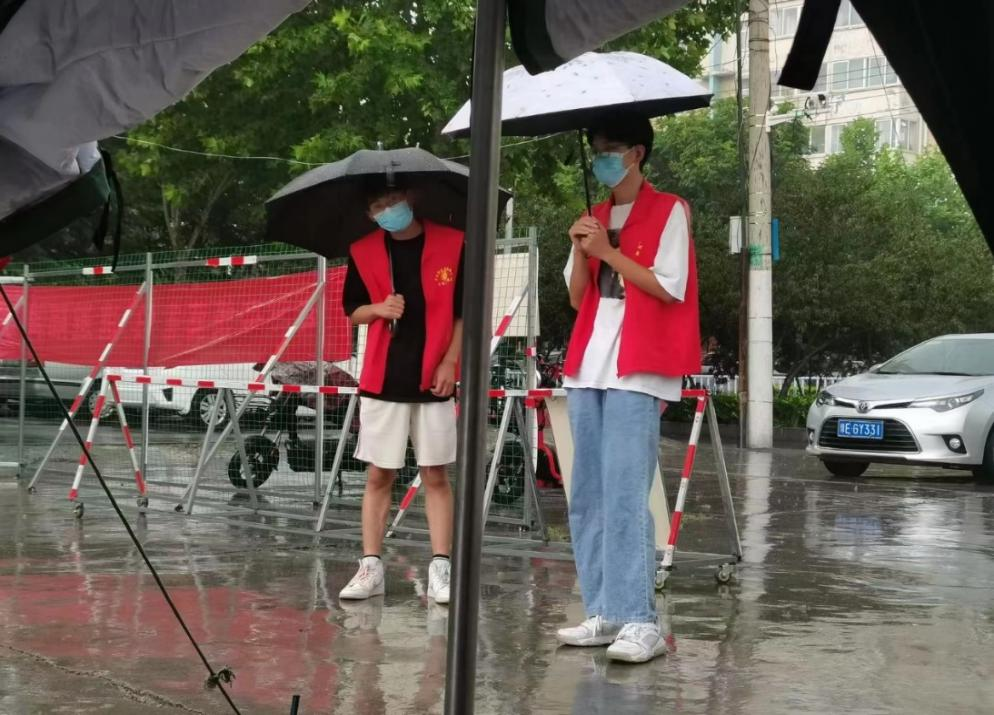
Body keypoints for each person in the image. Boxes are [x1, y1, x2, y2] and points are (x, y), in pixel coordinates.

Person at [556, 113, 700, 663]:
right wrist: (580, 250)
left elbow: (668, 286)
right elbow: (578, 299)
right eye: (596, 149)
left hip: (639, 366)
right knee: (587, 494)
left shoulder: (670, 210)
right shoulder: (593, 217)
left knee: (624, 493)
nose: (601, 158)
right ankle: (605, 610)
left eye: (611, 149)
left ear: (637, 153)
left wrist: (609, 254)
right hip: (589, 364)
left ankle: (641, 618)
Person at [338, 179, 464, 605]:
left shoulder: (453, 243)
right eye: (378, 205)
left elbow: (464, 311)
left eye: (393, 200)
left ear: (410, 197)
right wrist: (379, 308)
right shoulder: (363, 251)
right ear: (369, 214)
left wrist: (450, 363)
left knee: (435, 474)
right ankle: (371, 567)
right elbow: (353, 310)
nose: (388, 209)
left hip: (434, 376)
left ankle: (441, 568)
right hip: (383, 379)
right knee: (379, 475)